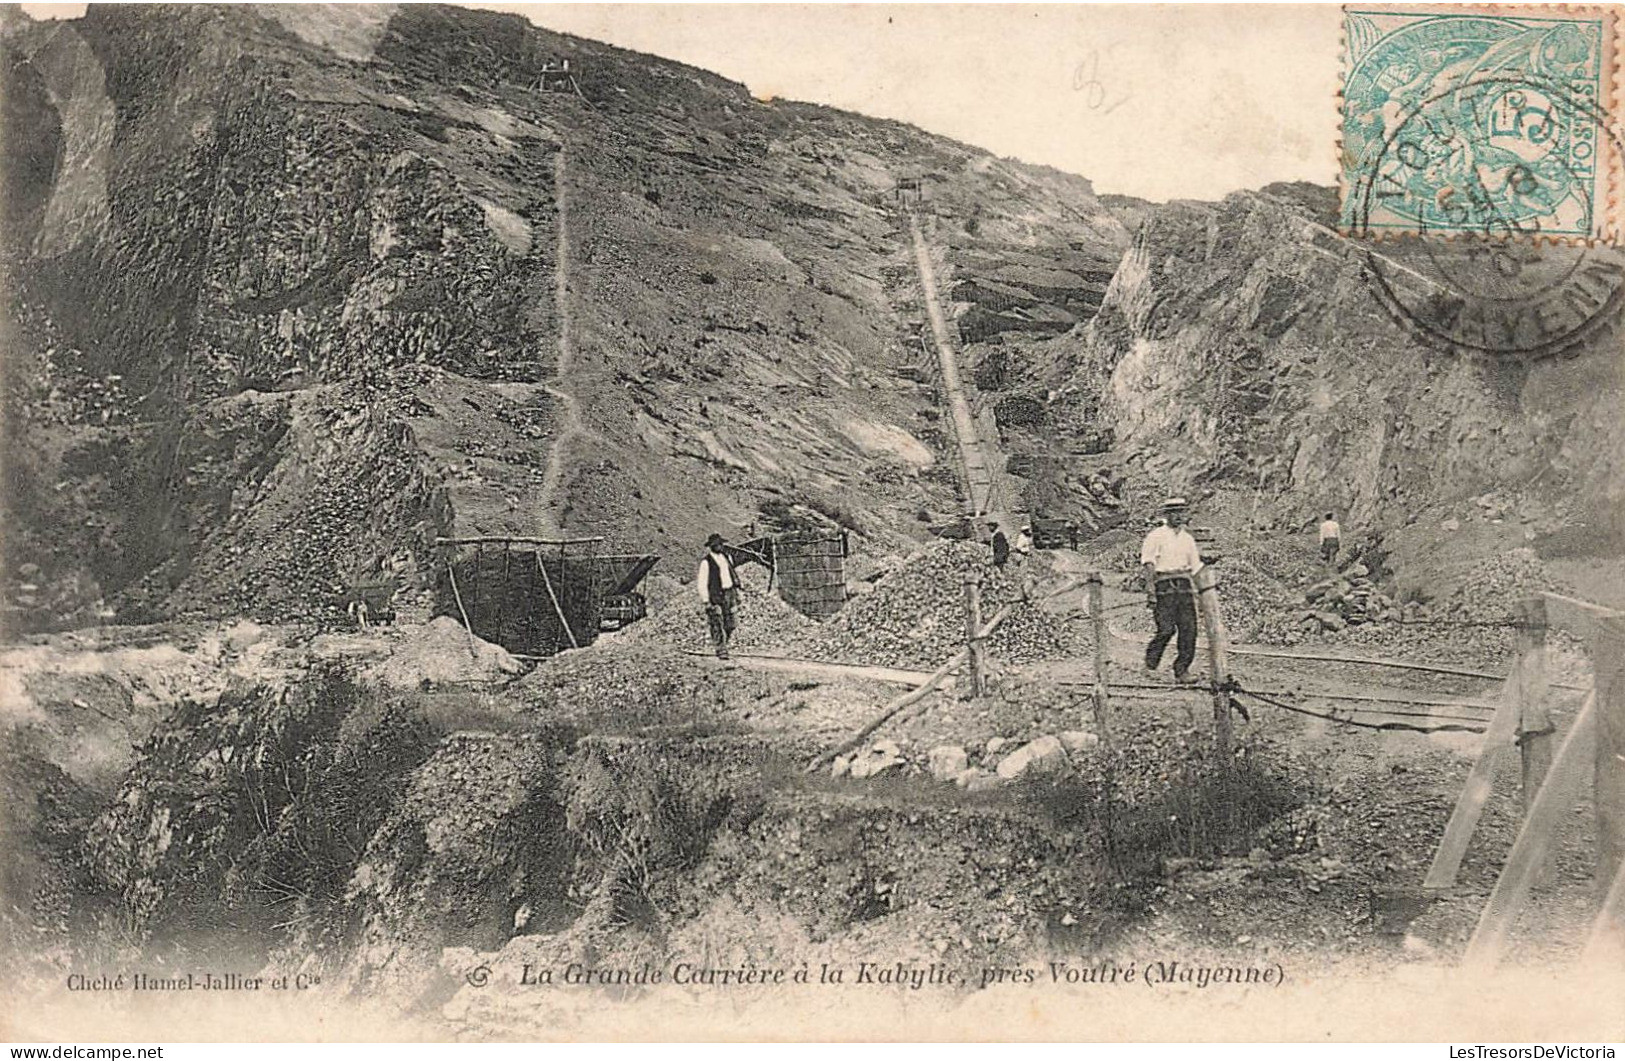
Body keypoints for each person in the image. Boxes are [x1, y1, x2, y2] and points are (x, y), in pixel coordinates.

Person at [1141, 498, 1203, 683]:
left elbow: (1196, 567)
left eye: (1181, 512)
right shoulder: (1156, 536)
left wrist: (1203, 592)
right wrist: (1151, 590)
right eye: (1173, 512)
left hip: (1184, 586)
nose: (1178, 516)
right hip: (1164, 585)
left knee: (1189, 629)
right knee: (1166, 629)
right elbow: (1148, 563)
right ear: (1166, 515)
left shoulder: (1188, 539)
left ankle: (1182, 670)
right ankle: (1150, 664)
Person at [695, 533, 739, 659]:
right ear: (711, 546)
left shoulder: (726, 558)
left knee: (731, 623)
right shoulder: (706, 562)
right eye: (717, 545)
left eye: (721, 544)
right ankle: (720, 649)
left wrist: (735, 593)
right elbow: (702, 583)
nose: (719, 546)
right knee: (717, 623)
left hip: (728, 593)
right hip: (715, 595)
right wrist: (706, 601)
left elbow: (731, 575)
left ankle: (724, 644)